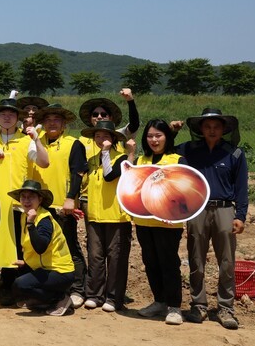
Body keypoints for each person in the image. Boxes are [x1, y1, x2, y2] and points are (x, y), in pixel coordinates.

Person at [0, 98, 49, 305]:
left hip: (17, 205)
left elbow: (44, 162)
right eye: (3, 114)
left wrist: (37, 140)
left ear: (17, 119)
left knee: (14, 248)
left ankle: (7, 287)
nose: (7, 117)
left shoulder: (26, 141)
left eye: (11, 114)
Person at [178, 108, 248, 330]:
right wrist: (171, 131)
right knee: (196, 260)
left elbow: (241, 188)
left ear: (224, 129)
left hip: (224, 210)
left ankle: (225, 308)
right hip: (197, 210)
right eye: (207, 126)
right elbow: (163, 149)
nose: (211, 130)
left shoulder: (234, 154)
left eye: (216, 126)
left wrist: (240, 216)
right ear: (200, 129)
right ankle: (198, 305)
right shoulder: (189, 150)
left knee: (227, 262)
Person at [26, 104, 89, 308]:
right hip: (41, 205)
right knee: (44, 248)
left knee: (70, 247)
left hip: (63, 205)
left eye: (57, 120)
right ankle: (51, 290)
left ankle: (78, 289)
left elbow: (78, 172)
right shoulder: (35, 142)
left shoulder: (73, 143)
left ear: (64, 124)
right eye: (48, 119)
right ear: (43, 123)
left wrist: (71, 197)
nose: (52, 123)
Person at [134, 119, 186, 326]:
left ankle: (174, 307)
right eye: (150, 136)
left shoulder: (177, 159)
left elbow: (183, 191)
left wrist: (173, 212)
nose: (154, 140)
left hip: (168, 223)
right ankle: (159, 302)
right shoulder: (141, 160)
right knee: (150, 262)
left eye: (158, 135)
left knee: (169, 263)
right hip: (143, 221)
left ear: (167, 137)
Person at [81, 120, 135, 312]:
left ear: (113, 139)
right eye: (97, 136)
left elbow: (109, 176)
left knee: (116, 258)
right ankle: (94, 294)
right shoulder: (91, 160)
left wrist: (105, 152)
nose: (101, 139)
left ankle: (113, 298)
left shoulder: (121, 159)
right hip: (95, 216)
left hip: (116, 217)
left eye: (105, 136)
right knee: (95, 255)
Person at [10, 180, 74, 316]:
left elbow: (40, 247)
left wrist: (31, 224)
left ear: (40, 199)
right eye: (23, 197)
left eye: (31, 197)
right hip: (44, 268)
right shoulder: (25, 216)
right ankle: (46, 299)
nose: (26, 201)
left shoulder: (44, 219)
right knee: (17, 284)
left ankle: (60, 299)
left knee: (21, 285)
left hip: (59, 271)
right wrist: (25, 263)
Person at [77, 89, 140, 160]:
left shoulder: (118, 135)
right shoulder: (81, 140)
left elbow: (134, 125)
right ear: (90, 118)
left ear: (111, 118)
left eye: (103, 114)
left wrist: (130, 101)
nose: (99, 117)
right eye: (95, 114)